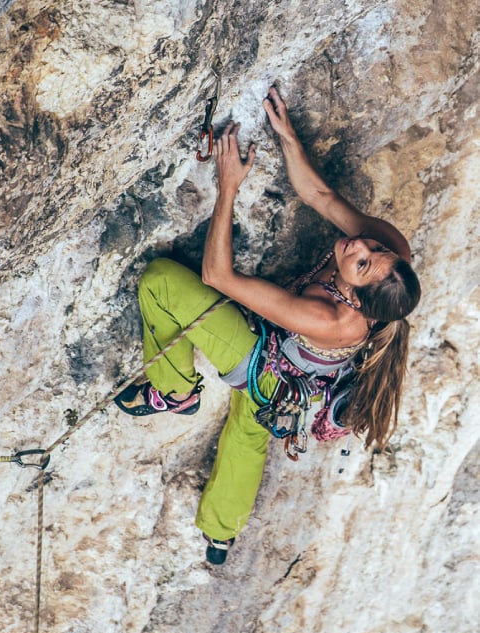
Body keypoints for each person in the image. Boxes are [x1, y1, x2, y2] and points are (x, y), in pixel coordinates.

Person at [115, 87, 421, 565]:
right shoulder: (389, 253)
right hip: (295, 365)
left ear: (359, 298)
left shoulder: (331, 318)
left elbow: (219, 276)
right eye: (373, 252)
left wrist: (229, 185)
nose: (358, 247)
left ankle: (175, 392)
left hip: (270, 367)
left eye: (363, 263)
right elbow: (321, 195)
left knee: (161, 284)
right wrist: (287, 135)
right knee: (249, 430)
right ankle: (220, 533)